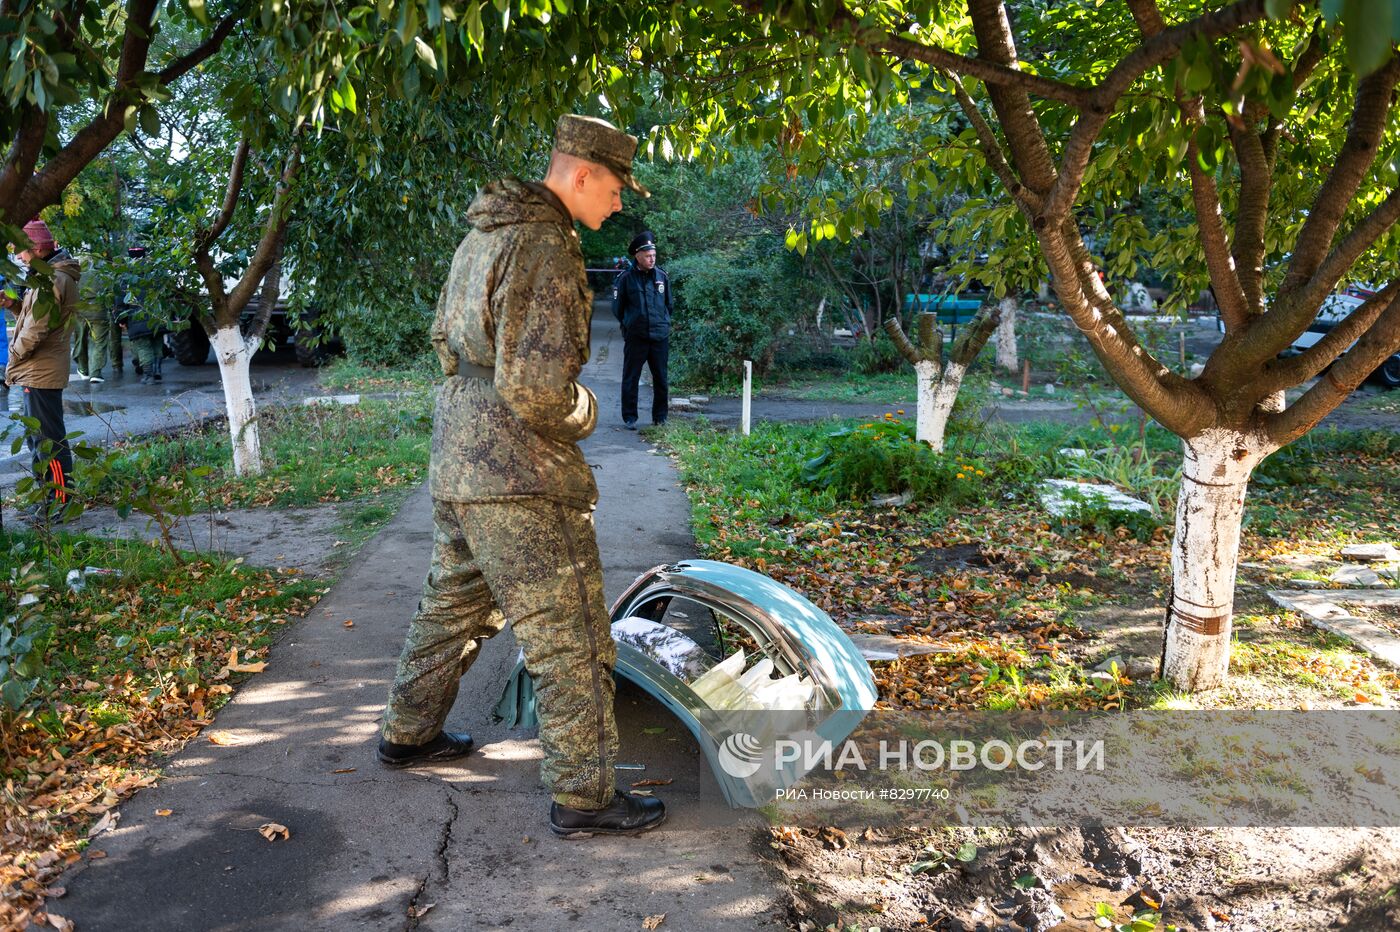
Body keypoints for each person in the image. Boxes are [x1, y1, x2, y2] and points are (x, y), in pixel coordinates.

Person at [378, 114, 665, 838]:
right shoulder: (542, 242)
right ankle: (585, 796)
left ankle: (406, 734)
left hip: (460, 456)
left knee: (451, 607)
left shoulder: (487, 231)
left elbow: (443, 338)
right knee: (569, 633)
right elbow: (537, 392)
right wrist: (586, 410)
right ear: (580, 174)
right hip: (521, 471)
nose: (621, 203)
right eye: (616, 186)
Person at [5, 218, 80, 514]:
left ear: (36, 248)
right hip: (36, 370)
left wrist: (13, 357)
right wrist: (13, 306)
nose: (20, 256)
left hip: (39, 372)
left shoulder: (53, 280)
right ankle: (48, 499)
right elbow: (32, 319)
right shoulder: (47, 277)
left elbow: (35, 331)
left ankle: (61, 501)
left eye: (22, 251)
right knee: (39, 439)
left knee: (49, 442)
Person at [612, 230, 672, 429]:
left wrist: (663, 323)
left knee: (661, 379)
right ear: (638, 256)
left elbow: (669, 305)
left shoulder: (662, 276)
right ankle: (630, 417)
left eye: (654, 255)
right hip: (636, 337)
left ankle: (660, 418)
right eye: (648, 256)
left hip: (659, 337)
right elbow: (617, 309)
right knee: (631, 378)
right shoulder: (626, 279)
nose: (652, 259)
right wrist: (630, 324)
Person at [117, 247, 162, 384]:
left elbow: (120, 299)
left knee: (143, 346)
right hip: (157, 316)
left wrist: (122, 318)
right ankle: (157, 370)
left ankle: (148, 376)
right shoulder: (156, 271)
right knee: (157, 344)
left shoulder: (125, 275)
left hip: (137, 318)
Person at [70, 256, 110, 383]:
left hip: (80, 310)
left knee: (80, 339)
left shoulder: (74, 276)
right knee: (99, 342)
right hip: (99, 310)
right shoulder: (101, 275)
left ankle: (83, 369)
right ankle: (96, 373)